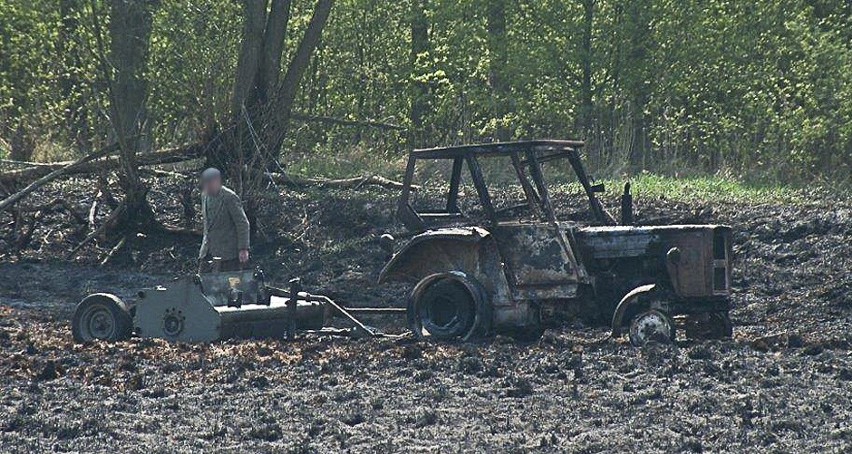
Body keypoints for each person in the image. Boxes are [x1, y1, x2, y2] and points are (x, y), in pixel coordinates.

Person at [198, 168, 250, 272]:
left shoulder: (229, 197)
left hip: (228, 254)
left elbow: (242, 223)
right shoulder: (204, 196)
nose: (207, 186)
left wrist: (243, 249)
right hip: (208, 251)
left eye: (210, 183)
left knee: (230, 284)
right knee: (202, 284)